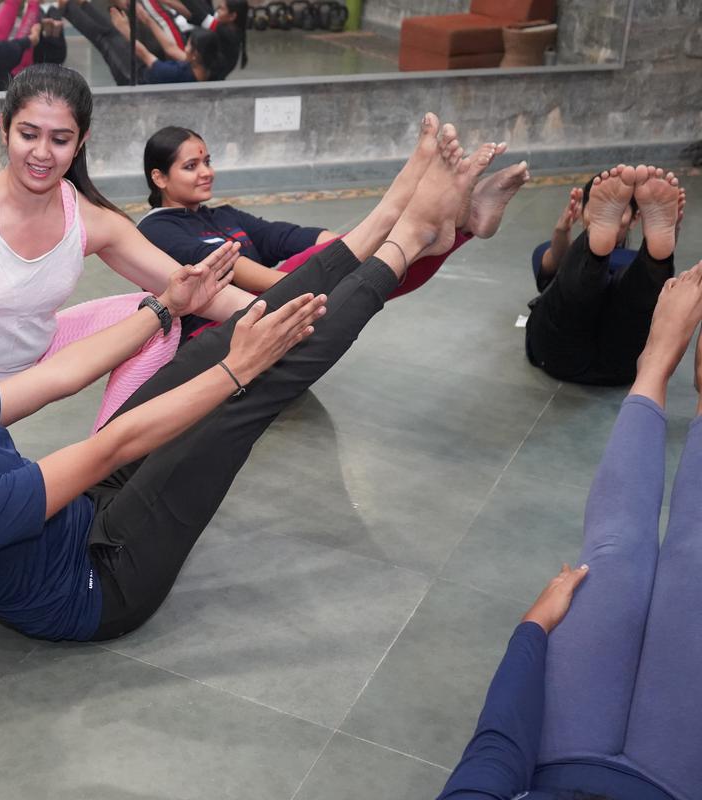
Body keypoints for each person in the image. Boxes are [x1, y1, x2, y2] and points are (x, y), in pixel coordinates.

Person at [0, 123, 484, 642]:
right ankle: (405, 239)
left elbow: (58, 376)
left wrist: (164, 309)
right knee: (247, 390)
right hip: (103, 582)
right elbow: (110, 448)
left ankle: (388, 221)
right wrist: (238, 369)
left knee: (201, 358)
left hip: (78, 515)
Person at [439, 261, 702, 800]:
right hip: (674, 782)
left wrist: (532, 630)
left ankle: (653, 364)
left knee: (615, 552)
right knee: (696, 563)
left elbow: (493, 755)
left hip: (559, 757)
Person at [0, 64, 260, 434]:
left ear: (81, 142)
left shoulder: (89, 219)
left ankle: (109, 454)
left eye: (60, 140)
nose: (42, 153)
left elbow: (189, 289)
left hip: (32, 368)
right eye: (28, 135)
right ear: (4, 127)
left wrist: (279, 313)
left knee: (158, 317)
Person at [137, 123, 530, 336]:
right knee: (346, 268)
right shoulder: (155, 231)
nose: (207, 171)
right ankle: (421, 211)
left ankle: (458, 224)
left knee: (369, 265)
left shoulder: (224, 215)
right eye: (191, 166)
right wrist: (315, 279)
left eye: (207, 160)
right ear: (159, 177)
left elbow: (292, 236)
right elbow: (226, 272)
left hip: (275, 310)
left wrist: (348, 250)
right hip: (217, 335)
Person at [526, 164, 686, 386]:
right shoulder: (568, 257)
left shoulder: (633, 264)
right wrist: (561, 231)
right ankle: (651, 257)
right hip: (622, 365)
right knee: (595, 285)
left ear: (635, 219)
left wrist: (669, 235)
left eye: (620, 211)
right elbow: (547, 274)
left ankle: (646, 254)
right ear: (582, 214)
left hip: (559, 356)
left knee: (634, 288)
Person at [61, 0, 225, 85]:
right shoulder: (203, 67)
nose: (186, 47)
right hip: (146, 67)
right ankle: (80, 4)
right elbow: (171, 48)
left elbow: (145, 55)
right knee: (112, 33)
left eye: (189, 45)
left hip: (134, 77)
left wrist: (126, 31)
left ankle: (67, 7)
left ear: (196, 54)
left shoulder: (176, 74)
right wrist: (145, 18)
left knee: (106, 38)